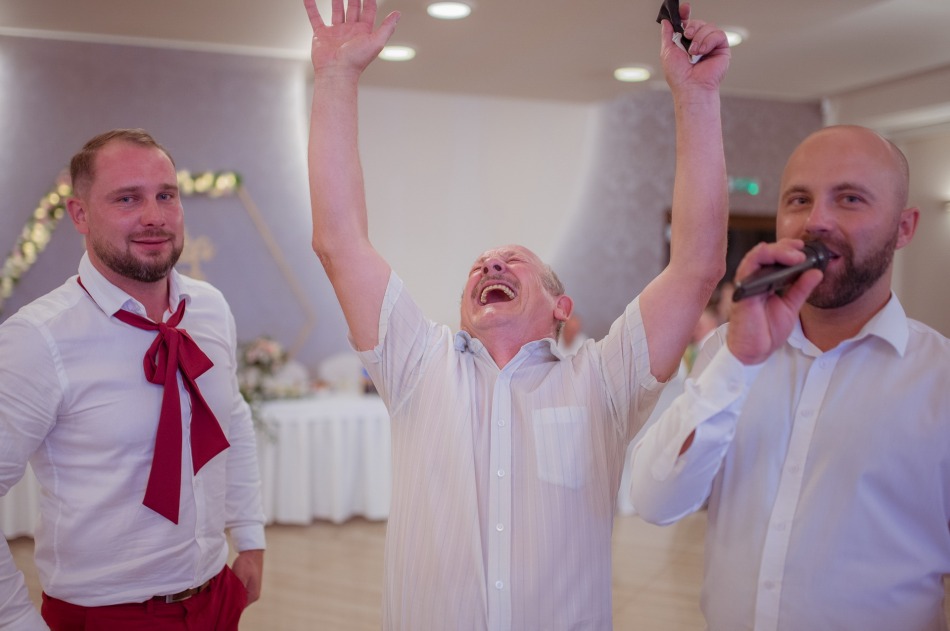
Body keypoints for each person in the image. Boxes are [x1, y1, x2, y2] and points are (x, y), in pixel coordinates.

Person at [304, 0, 730, 627]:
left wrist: (696, 97)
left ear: (562, 305)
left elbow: (696, 267)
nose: (492, 264)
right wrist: (336, 77)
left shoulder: (603, 380)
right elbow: (339, 242)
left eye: (514, 260)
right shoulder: (417, 364)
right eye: (479, 264)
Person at [629, 125, 950, 630]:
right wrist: (738, 363)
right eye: (799, 200)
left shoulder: (939, 381)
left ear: (904, 227)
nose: (816, 221)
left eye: (850, 199)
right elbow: (654, 500)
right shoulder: (728, 352)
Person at [0, 129, 266, 630]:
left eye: (166, 195)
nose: (154, 216)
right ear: (79, 214)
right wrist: (16, 621)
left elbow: (233, 418)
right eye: (127, 198)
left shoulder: (210, 308)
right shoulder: (37, 338)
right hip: (105, 614)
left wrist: (250, 536)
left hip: (216, 598)